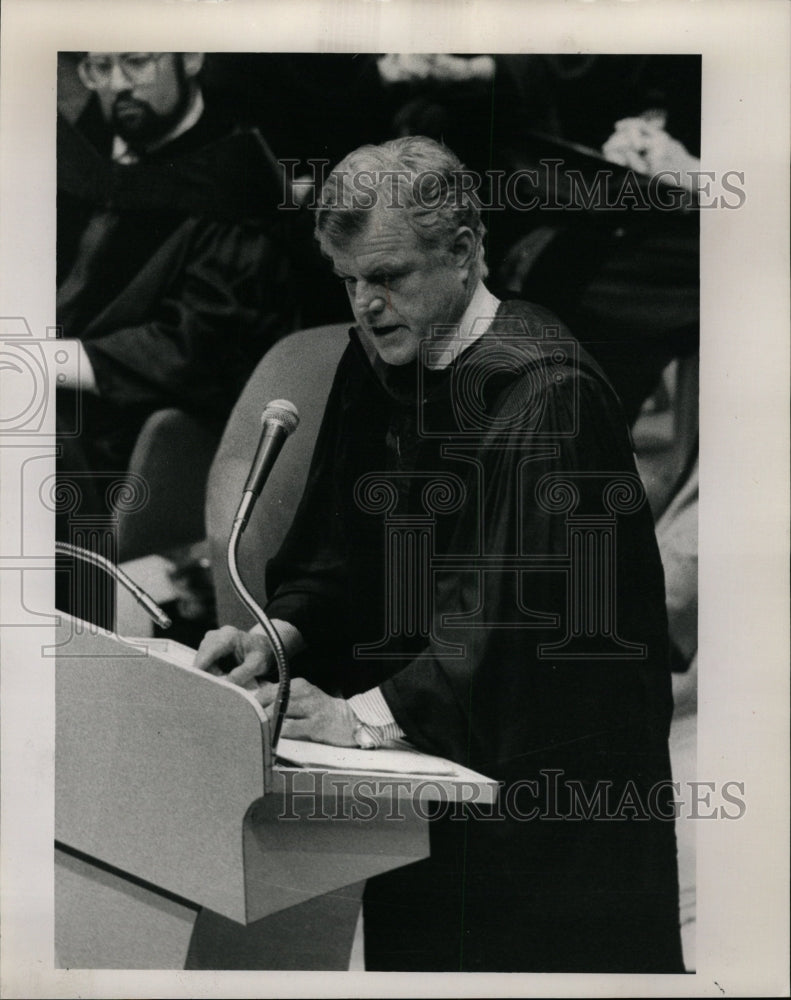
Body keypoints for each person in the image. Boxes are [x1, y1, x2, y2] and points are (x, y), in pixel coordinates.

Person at [195, 136, 684, 973]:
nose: (366, 306)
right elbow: (342, 555)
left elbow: (512, 635)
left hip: (546, 794)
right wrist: (278, 634)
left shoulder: (544, 395)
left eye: (388, 278)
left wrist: (363, 719)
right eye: (348, 281)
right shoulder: (384, 356)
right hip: (424, 777)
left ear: (463, 252)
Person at [55, 51, 295, 486]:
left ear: (190, 58)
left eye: (136, 61)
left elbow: (204, 344)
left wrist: (48, 361)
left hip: (132, 441)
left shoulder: (237, 180)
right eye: (100, 68)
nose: (116, 84)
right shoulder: (81, 153)